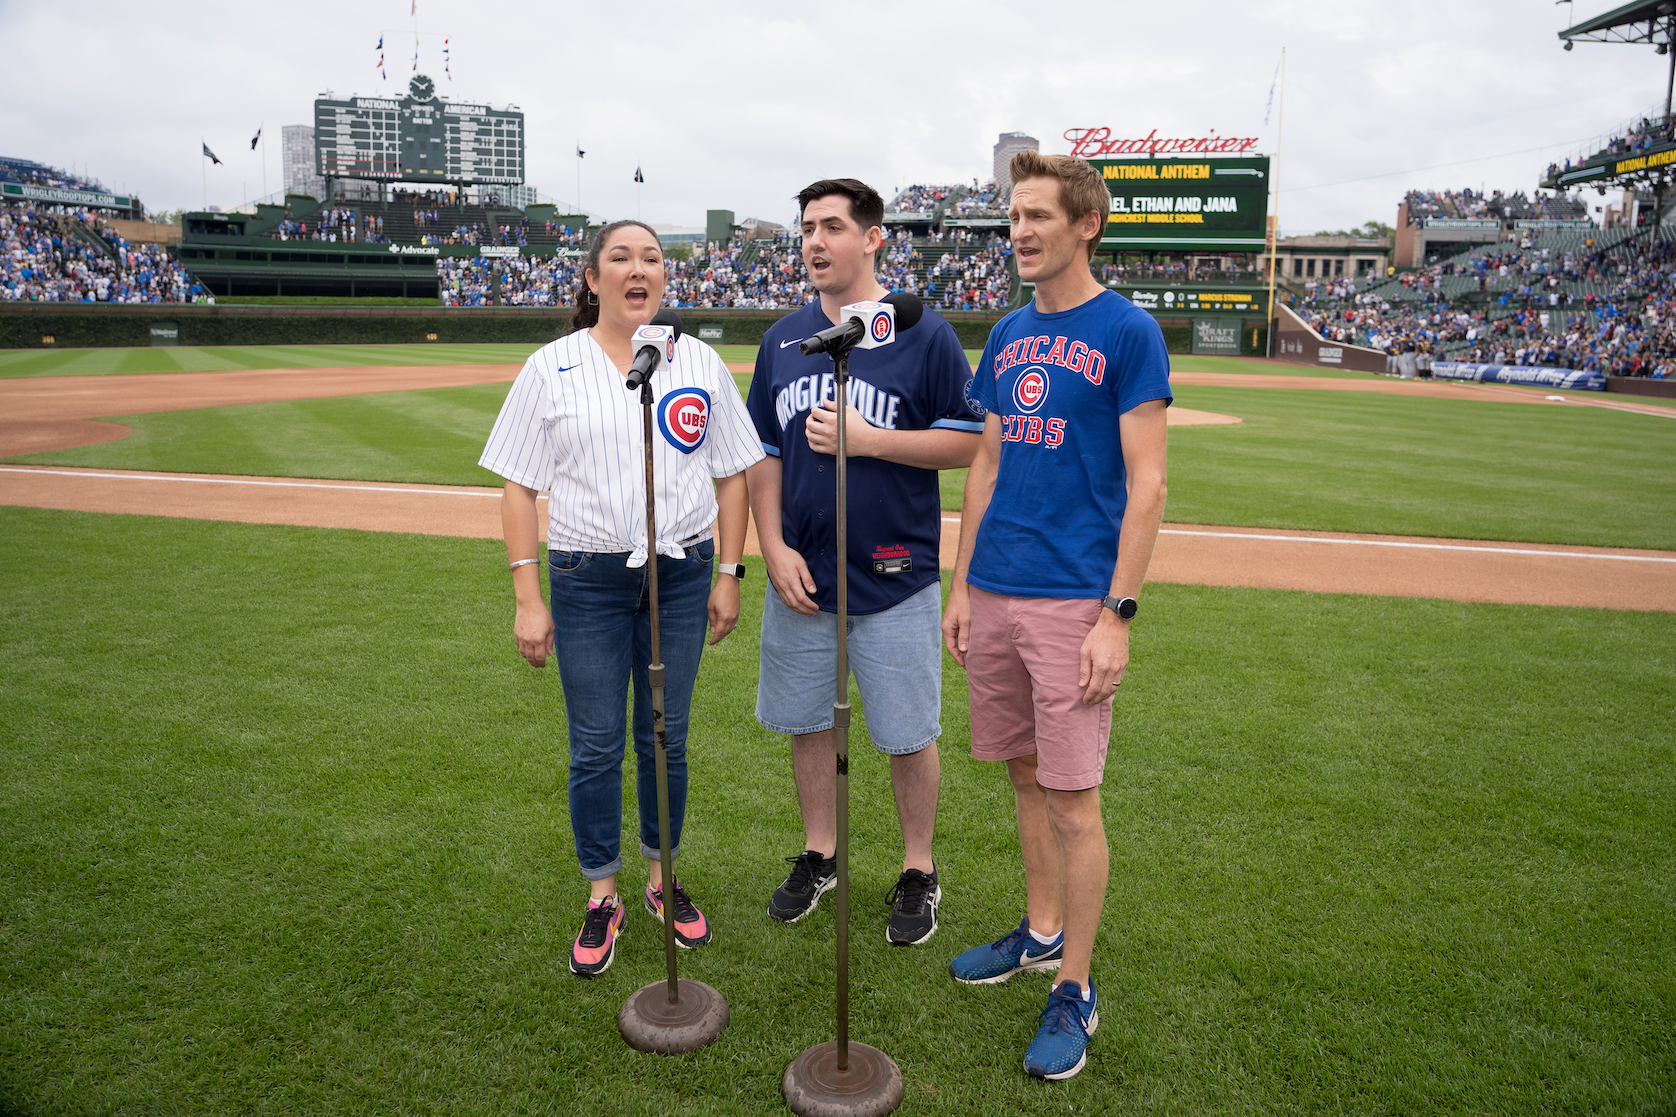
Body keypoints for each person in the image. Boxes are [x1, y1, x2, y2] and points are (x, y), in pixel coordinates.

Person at [480, 219, 763, 978]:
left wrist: (731, 572)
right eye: (620, 258)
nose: (638, 270)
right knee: (598, 741)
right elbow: (517, 482)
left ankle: (661, 879)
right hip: (586, 578)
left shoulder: (696, 359)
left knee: (665, 737)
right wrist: (525, 596)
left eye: (652, 259)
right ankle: (602, 891)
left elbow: (734, 470)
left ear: (664, 277)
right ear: (592, 278)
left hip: (680, 573)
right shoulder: (552, 366)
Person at [941, 151, 1171, 1081]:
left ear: (1087, 225)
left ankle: (1075, 985)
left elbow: (1149, 484)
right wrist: (961, 584)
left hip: (1074, 599)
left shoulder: (1128, 331)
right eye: (1013, 218)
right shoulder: (1003, 333)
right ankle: (1039, 932)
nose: (1022, 232)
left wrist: (1117, 613)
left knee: (1075, 800)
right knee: (1025, 776)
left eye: (1038, 215)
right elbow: (988, 465)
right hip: (995, 589)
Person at [745, 178, 981, 945]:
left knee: (908, 732)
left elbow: (972, 441)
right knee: (808, 723)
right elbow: (765, 455)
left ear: (874, 238)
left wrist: (871, 439)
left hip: (896, 574)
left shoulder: (923, 333)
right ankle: (822, 852)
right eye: (807, 227)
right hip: (802, 575)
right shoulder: (782, 339)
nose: (815, 241)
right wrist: (771, 546)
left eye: (833, 227)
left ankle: (919, 867)